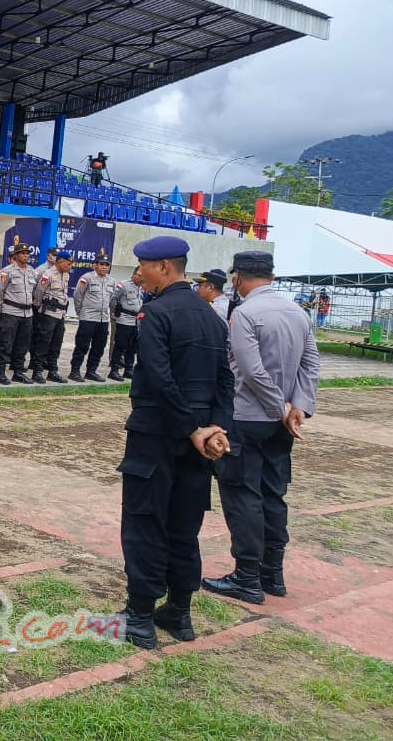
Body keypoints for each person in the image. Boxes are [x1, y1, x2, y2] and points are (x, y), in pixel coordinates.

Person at [115, 235, 233, 650]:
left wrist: (193, 428)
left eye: (143, 267)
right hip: (198, 441)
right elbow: (225, 379)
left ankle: (141, 615)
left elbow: (160, 379)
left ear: (164, 267)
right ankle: (179, 611)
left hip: (159, 435)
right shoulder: (211, 317)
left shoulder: (156, 314)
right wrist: (215, 427)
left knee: (146, 521)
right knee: (185, 524)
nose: (139, 274)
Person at [203, 251, 321, 605]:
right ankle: (273, 573)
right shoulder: (297, 312)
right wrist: (298, 406)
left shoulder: (246, 314)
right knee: (273, 495)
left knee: (242, 496)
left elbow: (252, 371)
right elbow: (311, 363)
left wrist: (279, 408)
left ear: (238, 277)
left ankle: (247, 577)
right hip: (280, 424)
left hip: (247, 418)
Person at [0, 242, 39, 384]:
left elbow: (34, 291)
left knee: (22, 344)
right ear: (16, 255)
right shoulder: (7, 272)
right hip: (10, 312)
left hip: (27, 313)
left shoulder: (32, 271)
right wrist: (0, 310)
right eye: (22, 253)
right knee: (5, 343)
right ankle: (0, 373)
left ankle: (18, 372)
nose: (25, 256)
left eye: (27, 253)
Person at [69, 249, 114, 382]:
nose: (104, 267)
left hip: (103, 319)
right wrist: (80, 313)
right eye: (101, 264)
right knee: (82, 345)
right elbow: (78, 296)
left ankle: (91, 371)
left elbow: (110, 298)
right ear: (95, 265)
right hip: (88, 318)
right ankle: (75, 371)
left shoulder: (111, 281)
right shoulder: (87, 278)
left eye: (106, 265)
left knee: (99, 347)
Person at [29, 249, 73, 384]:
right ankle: (37, 371)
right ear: (60, 262)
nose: (69, 266)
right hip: (48, 313)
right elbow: (38, 292)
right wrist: (38, 308)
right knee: (43, 342)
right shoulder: (47, 274)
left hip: (60, 314)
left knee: (56, 343)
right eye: (68, 263)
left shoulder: (65, 275)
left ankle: (53, 371)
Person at [108, 265, 145, 381]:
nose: (141, 277)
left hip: (136, 321)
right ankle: (114, 370)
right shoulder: (123, 285)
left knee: (133, 347)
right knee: (120, 345)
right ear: (134, 274)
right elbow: (113, 299)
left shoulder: (141, 287)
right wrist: (115, 313)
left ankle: (128, 369)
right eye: (139, 275)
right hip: (124, 319)